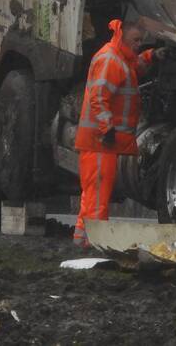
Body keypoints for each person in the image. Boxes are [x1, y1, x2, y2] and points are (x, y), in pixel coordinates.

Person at [73, 19, 164, 248]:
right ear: (122, 37)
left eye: (141, 41)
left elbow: (134, 66)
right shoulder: (110, 60)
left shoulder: (118, 57)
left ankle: (82, 239)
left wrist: (152, 55)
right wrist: (108, 129)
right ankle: (94, 242)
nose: (138, 45)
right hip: (100, 142)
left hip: (99, 142)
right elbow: (98, 96)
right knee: (98, 197)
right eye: (136, 40)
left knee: (93, 195)